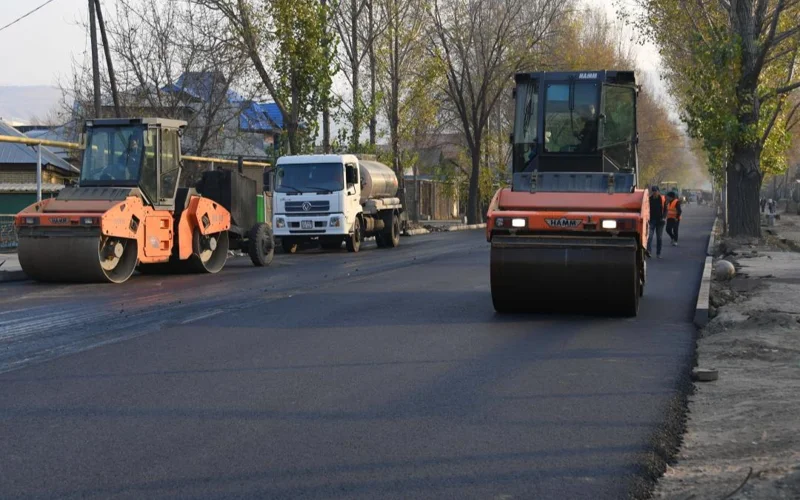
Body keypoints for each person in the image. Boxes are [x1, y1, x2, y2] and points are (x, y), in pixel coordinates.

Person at [646, 186, 667, 259]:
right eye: (653, 191)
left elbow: (665, 210)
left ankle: (658, 253)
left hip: (660, 221)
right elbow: (646, 210)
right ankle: (649, 252)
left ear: (658, 191)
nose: (654, 192)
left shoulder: (662, 199)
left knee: (659, 238)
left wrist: (664, 217)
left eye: (656, 191)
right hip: (651, 221)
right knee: (649, 237)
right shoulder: (649, 199)